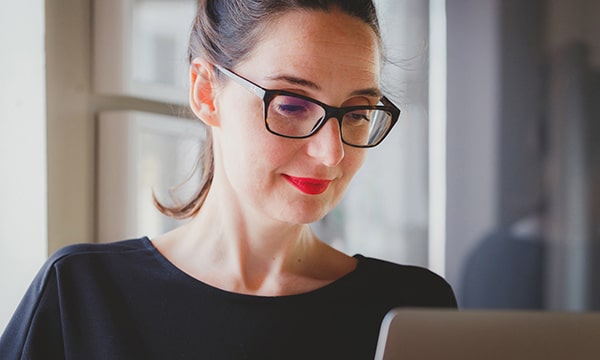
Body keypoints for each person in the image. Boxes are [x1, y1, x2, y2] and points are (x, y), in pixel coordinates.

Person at [0, 0, 456, 358]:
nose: (331, 152)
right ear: (205, 91)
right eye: (292, 105)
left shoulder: (411, 310)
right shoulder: (80, 295)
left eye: (356, 113)